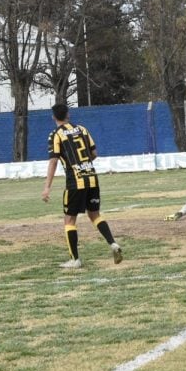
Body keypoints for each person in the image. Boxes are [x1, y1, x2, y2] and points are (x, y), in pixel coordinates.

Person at [41, 103, 122, 269]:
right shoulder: (82, 129)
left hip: (75, 182)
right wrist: (84, 164)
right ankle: (112, 243)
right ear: (68, 115)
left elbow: (53, 161)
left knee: (69, 220)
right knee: (95, 215)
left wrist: (47, 187)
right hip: (92, 178)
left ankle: (75, 260)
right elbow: (94, 154)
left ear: (54, 117)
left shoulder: (55, 135)